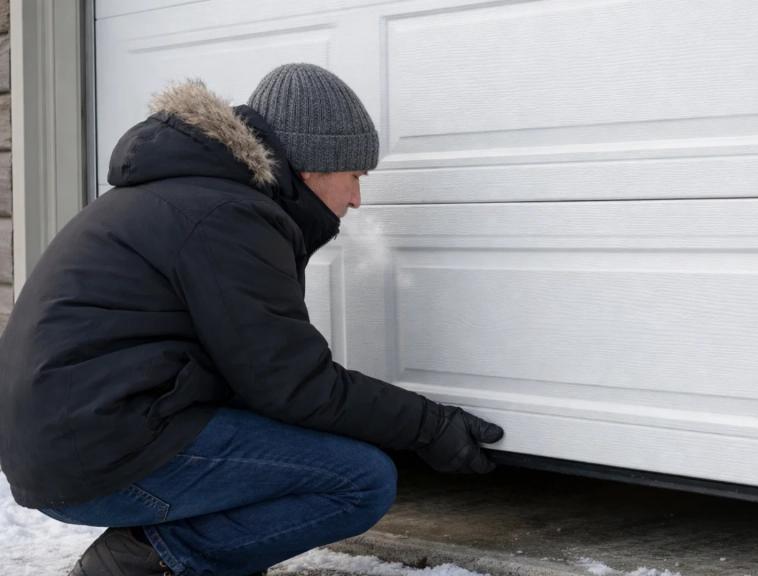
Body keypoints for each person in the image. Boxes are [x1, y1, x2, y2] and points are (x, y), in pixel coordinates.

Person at [0, 63, 505, 576]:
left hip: (71, 440)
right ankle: (138, 561)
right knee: (360, 479)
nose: (357, 198)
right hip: (96, 452)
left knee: (292, 439)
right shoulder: (227, 216)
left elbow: (260, 376)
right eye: (355, 176)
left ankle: (181, 554)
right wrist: (430, 427)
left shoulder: (193, 195)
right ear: (312, 166)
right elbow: (294, 384)